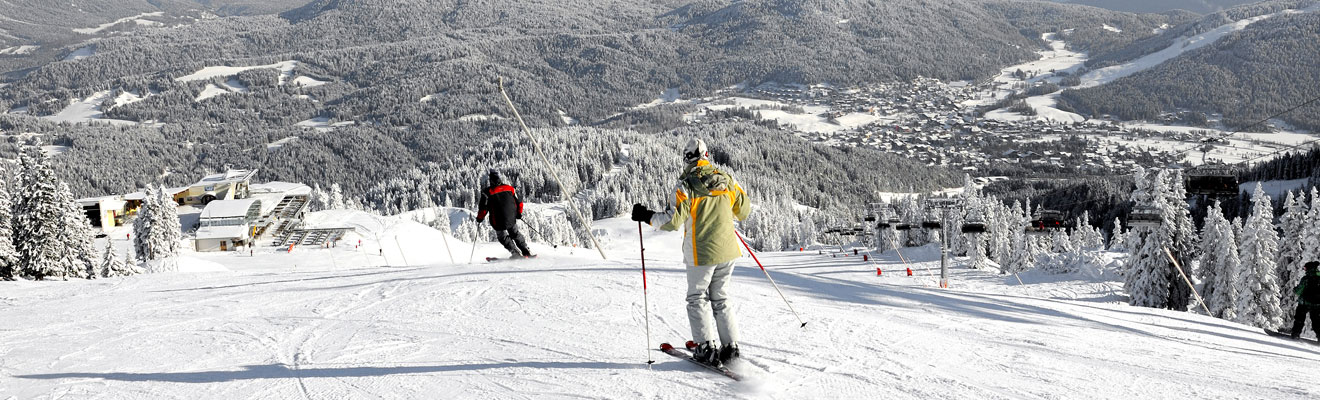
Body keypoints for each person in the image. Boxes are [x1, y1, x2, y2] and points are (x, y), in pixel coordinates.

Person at [632, 138, 750, 367]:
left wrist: (646, 216)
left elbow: (671, 222)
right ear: (706, 155)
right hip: (728, 250)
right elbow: (744, 210)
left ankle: (706, 348)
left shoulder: (685, 186)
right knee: (721, 298)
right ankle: (731, 347)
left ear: (687, 158)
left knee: (697, 298)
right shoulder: (727, 180)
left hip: (701, 252)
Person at [477, 170, 533, 259]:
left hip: (498, 221)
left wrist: (479, 218)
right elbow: (519, 202)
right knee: (515, 233)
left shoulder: (487, 192)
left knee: (503, 237)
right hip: (511, 218)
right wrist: (519, 213)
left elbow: (483, 209)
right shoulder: (510, 188)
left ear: (490, 181)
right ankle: (526, 250)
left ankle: (515, 253)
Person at [1290, 261, 1320, 340]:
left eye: (1305, 268)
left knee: (1299, 319)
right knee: (1317, 322)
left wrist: (1295, 289)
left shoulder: (1306, 279)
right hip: (1317, 305)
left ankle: (1295, 334)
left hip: (1304, 303)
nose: (1305, 270)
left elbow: (1298, 291)